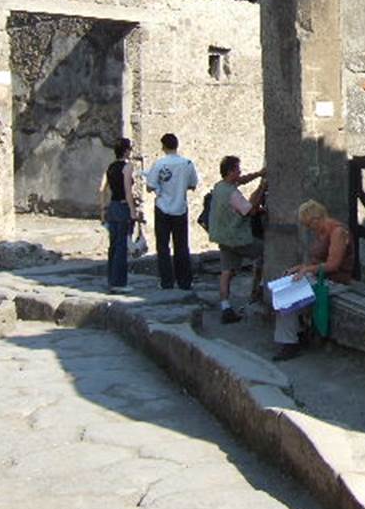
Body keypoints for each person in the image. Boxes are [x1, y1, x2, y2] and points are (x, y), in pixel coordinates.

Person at [271, 199, 354, 361]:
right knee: (283, 285)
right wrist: (301, 267)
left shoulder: (338, 232)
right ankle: (295, 332)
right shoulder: (321, 232)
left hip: (335, 280)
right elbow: (317, 261)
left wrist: (307, 269)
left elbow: (333, 265)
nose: (310, 229)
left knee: (288, 296)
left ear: (317, 218)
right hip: (320, 276)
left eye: (310, 225)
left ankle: (290, 343)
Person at [208, 155, 266, 324]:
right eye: (238, 170)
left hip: (223, 237)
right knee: (265, 253)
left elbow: (241, 180)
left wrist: (259, 173)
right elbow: (250, 210)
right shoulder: (233, 194)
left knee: (226, 271)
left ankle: (225, 306)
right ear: (231, 171)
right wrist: (262, 186)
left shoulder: (219, 187)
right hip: (238, 237)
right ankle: (260, 289)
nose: (240, 173)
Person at [144, 133, 199, 290]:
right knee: (181, 245)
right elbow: (193, 184)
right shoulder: (187, 164)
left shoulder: (159, 164)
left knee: (163, 246)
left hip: (162, 207)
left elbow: (150, 186)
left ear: (163, 146)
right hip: (180, 208)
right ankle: (184, 281)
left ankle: (166, 281)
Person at [98, 137, 142, 294]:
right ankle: (119, 282)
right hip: (123, 205)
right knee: (122, 246)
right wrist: (132, 210)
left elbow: (102, 188)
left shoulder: (110, 167)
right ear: (126, 151)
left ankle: (111, 279)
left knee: (113, 245)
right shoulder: (127, 167)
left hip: (112, 206)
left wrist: (103, 209)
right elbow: (127, 191)